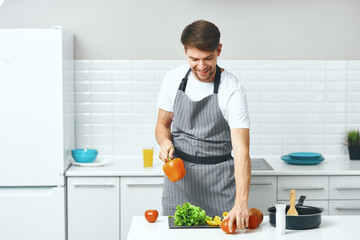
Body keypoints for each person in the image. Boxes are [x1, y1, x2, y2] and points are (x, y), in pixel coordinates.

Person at [155, 19, 251, 231]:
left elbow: (242, 150)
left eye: (208, 58)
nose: (201, 66)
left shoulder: (232, 88)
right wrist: (164, 142)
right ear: (185, 51)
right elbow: (162, 126)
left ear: (219, 49)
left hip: (219, 183)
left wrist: (241, 202)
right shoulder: (173, 79)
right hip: (179, 181)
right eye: (194, 59)